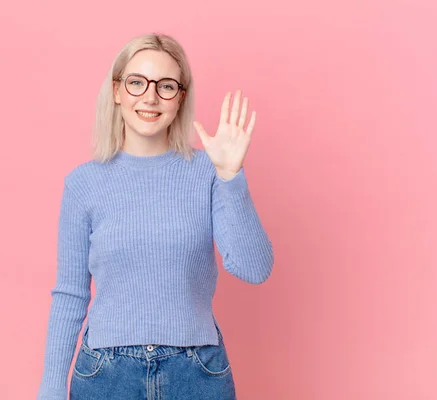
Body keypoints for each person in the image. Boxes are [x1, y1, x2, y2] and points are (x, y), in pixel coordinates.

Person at [37, 33, 274, 400]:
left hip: (195, 371)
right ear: (117, 91)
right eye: (136, 83)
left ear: (180, 98)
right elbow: (70, 293)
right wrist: (51, 387)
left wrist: (230, 176)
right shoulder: (83, 183)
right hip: (106, 375)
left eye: (165, 86)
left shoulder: (207, 174)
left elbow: (254, 268)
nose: (150, 97)